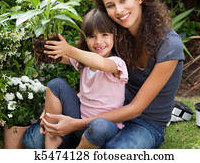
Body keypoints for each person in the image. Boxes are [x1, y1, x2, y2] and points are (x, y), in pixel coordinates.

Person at [26, 0, 185, 149]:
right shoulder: (115, 36)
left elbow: (136, 109)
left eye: (123, 0)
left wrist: (76, 123)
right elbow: (85, 62)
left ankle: (78, 139)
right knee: (33, 140)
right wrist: (46, 48)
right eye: (110, 5)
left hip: (144, 123)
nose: (119, 10)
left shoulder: (169, 46)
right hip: (106, 112)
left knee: (113, 151)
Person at [23, 9, 128, 149]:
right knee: (56, 84)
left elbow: (101, 64)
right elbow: (60, 57)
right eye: (92, 36)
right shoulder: (83, 63)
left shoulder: (116, 63)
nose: (99, 41)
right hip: (78, 122)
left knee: (99, 126)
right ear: (85, 39)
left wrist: (69, 50)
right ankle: (51, 140)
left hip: (105, 129)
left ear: (114, 36)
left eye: (104, 35)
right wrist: (45, 45)